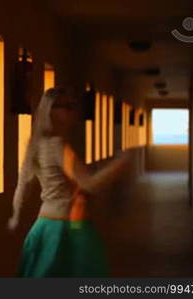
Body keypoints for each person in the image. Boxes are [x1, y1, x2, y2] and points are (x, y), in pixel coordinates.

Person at [7, 87, 133, 277]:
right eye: (65, 106)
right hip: (66, 227)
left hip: (42, 226)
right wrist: (118, 166)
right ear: (51, 111)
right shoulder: (58, 145)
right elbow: (88, 183)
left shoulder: (34, 144)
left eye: (71, 106)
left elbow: (22, 186)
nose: (71, 111)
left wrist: (15, 216)